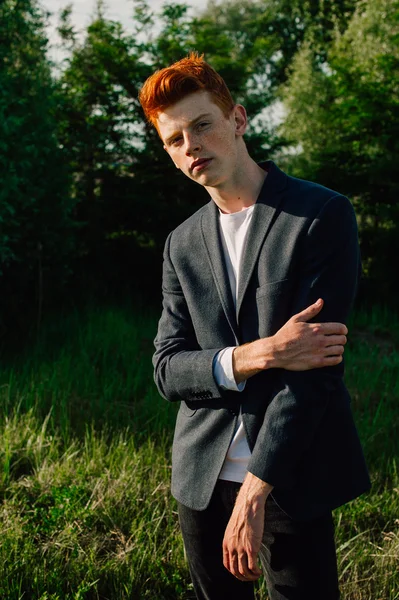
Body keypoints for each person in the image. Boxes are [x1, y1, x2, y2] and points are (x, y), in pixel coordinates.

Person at [139, 52, 370, 600]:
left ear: (237, 120)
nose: (191, 147)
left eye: (202, 125)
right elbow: (168, 370)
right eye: (174, 140)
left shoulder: (319, 215)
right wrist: (259, 353)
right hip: (200, 478)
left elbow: (315, 372)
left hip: (290, 476)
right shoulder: (182, 242)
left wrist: (256, 490)